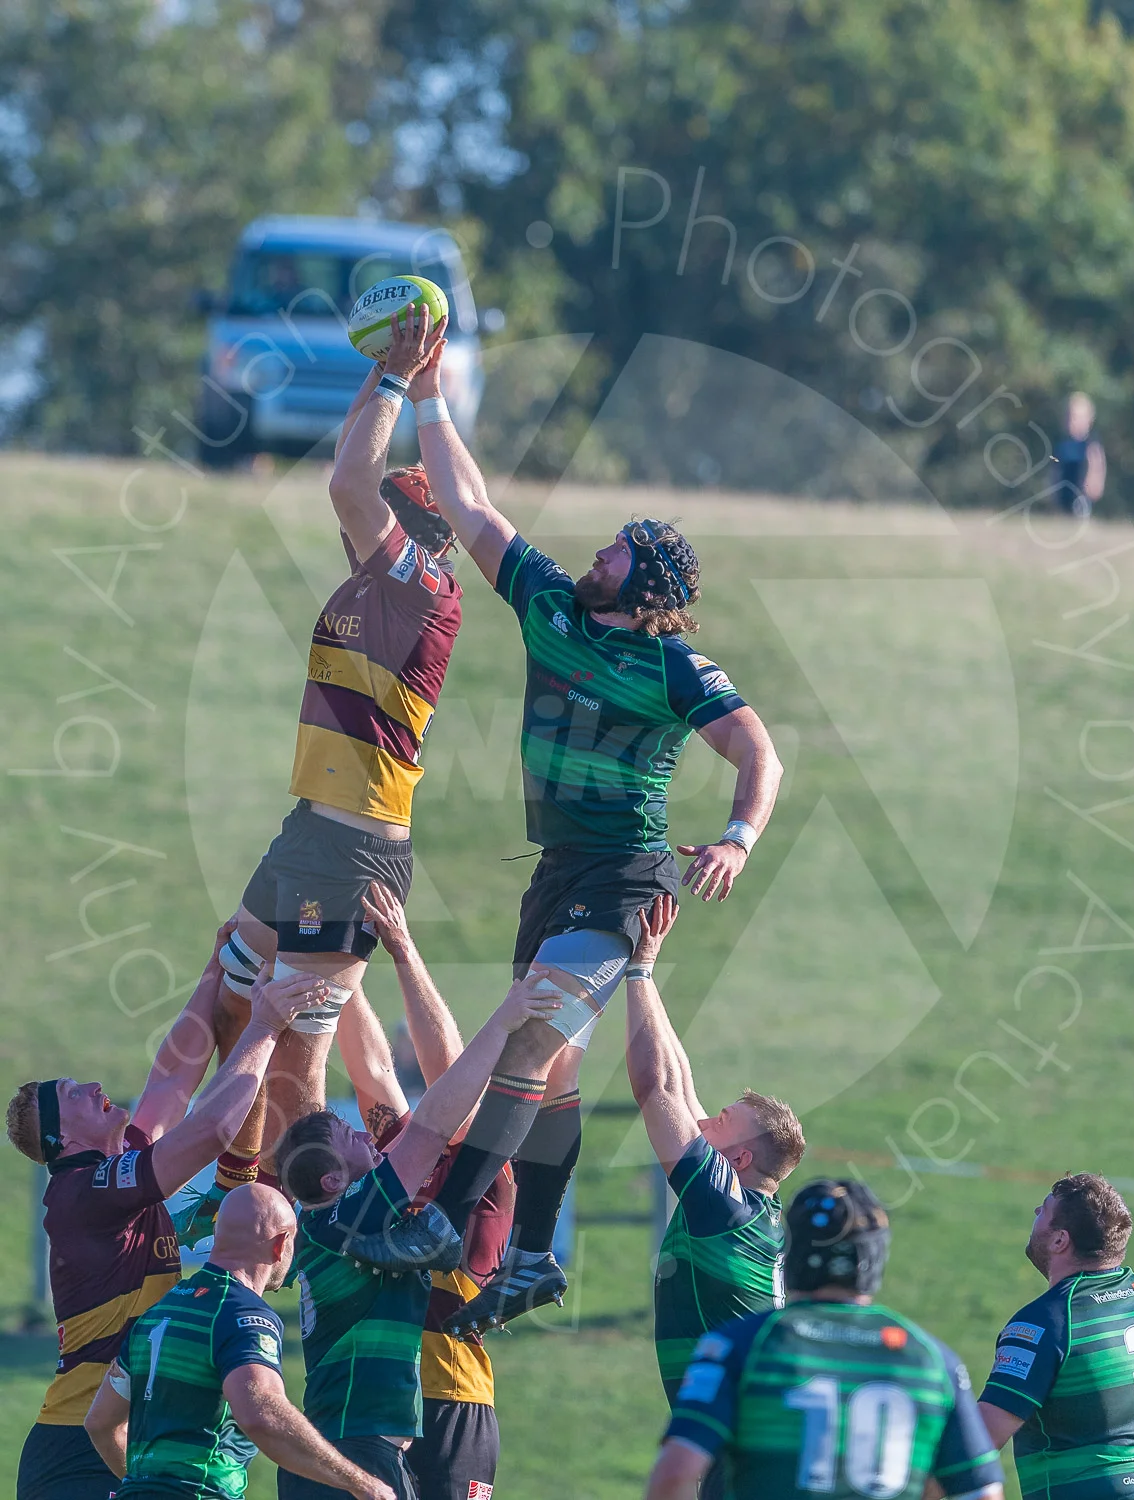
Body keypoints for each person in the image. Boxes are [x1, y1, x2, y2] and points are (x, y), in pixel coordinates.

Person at [393, 305, 786, 1331]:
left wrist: (739, 838)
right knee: (553, 1072)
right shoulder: (552, 606)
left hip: (627, 878)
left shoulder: (673, 664)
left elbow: (758, 751)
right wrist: (428, 387)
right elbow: (471, 507)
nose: (594, 553)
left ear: (642, 582)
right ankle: (533, 1257)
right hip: (557, 869)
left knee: (529, 1038)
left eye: (613, 551)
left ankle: (452, 1214)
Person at [178, 311, 464, 1242]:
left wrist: (394, 381)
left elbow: (349, 480)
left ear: (412, 530)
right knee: (230, 1002)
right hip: (309, 834)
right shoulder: (370, 583)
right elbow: (347, 471)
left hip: (352, 853)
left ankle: (295, 1224)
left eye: (381, 512)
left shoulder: (421, 584)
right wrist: (384, 371)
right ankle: (236, 1181)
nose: (358, 519)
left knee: (298, 1048)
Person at [6, 924, 329, 1500]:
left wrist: (213, 972)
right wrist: (262, 1025)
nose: (94, 1086)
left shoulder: (114, 1163)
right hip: (77, 1446)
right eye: (76, 1093)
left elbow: (173, 1078)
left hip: (117, 1427)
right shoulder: (85, 1191)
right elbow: (210, 1130)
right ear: (65, 1139)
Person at [271, 964, 566, 1500]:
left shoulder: (479, 1173)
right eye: (349, 1132)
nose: (364, 1129)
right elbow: (383, 1082)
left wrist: (362, 970)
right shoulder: (378, 1189)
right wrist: (349, 968)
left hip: (451, 1394)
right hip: (379, 1416)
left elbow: (447, 1095)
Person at [646, 1178, 1006, 1500]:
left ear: (791, 1251)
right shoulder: (932, 1360)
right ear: (874, 1258)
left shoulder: (738, 1345)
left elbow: (676, 1473)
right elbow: (983, 1491)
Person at [624, 895, 803, 1479]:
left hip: (736, 1444)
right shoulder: (750, 1207)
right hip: (749, 1429)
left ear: (740, 1156)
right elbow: (680, 1081)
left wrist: (636, 972)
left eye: (721, 1122)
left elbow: (655, 1090)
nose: (704, 1121)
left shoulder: (722, 1206)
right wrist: (647, 969)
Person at [83, 1184, 395, 1500]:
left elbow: (100, 1422)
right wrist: (362, 1484)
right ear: (281, 1244)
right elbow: (262, 1414)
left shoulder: (159, 1312)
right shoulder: (242, 1313)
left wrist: (148, 1487)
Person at [361, 881, 515, 1500]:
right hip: (373, 1398)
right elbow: (373, 1071)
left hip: (453, 1399)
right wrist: (332, 976)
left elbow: (452, 1078)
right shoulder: (395, 1157)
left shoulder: (486, 1175)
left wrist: (401, 949)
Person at [978, 1173, 1134, 1499]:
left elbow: (977, 1444)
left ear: (1060, 1240)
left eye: (1044, 1210)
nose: (1036, 1211)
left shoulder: (1045, 1323)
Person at [1052, 392, 1106, 517]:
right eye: (1072, 417)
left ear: (1090, 420)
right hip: (1063, 492)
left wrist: (1096, 483)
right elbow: (1055, 466)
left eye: (1081, 418)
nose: (1076, 422)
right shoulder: (1063, 443)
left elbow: (1096, 465)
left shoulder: (1091, 443)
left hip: (1082, 495)